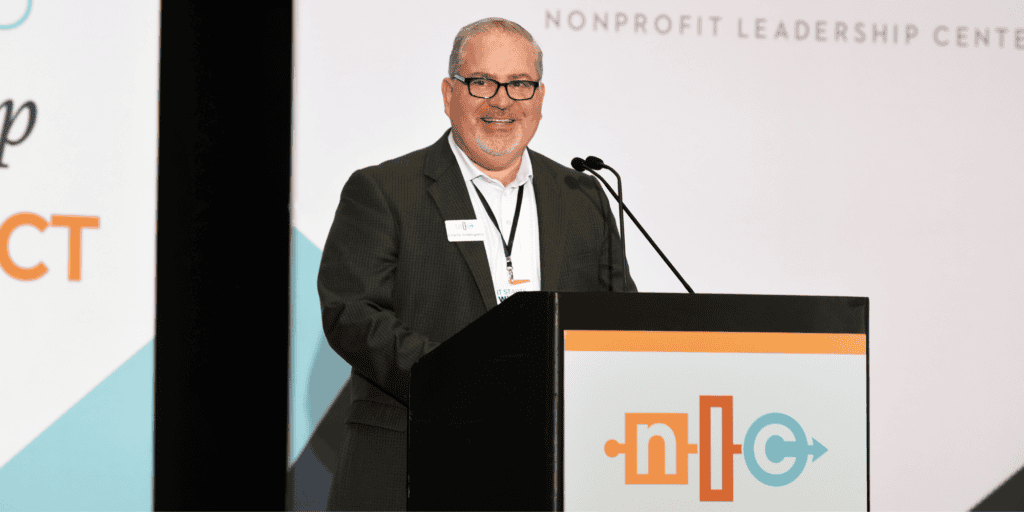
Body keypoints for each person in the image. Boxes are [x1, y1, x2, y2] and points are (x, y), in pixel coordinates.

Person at [316, 17, 635, 511]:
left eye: (519, 84)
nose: (502, 100)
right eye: (482, 82)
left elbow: (619, 321)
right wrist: (465, 383)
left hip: (550, 470)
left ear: (540, 98)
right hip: (414, 462)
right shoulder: (383, 191)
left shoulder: (582, 195)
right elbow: (353, 316)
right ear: (449, 94)